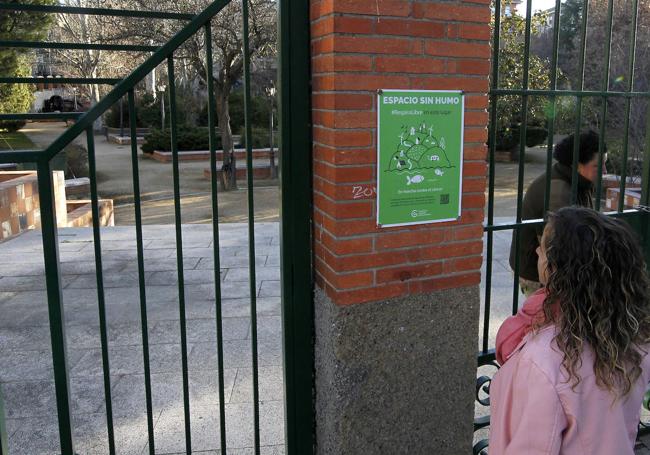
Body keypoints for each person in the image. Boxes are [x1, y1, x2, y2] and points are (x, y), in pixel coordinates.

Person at [490, 207, 650, 454]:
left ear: (557, 268)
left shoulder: (542, 361)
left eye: (542, 247)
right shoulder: (634, 336)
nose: (536, 251)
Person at [509, 131, 606, 295]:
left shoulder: (578, 181)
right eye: (598, 165)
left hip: (554, 269)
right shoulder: (559, 192)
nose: (604, 170)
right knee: (547, 318)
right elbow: (557, 248)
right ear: (576, 164)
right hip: (538, 273)